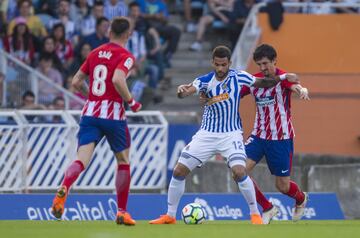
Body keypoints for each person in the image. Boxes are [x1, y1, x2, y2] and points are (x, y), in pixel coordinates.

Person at [149, 45, 299, 225]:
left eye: (224, 65)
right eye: (217, 65)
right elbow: (187, 91)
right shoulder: (204, 81)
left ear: (230, 63)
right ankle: (170, 215)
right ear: (212, 62)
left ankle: (255, 215)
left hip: (231, 135)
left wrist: (284, 77)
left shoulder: (239, 76)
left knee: (239, 171)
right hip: (206, 134)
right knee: (179, 171)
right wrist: (181, 90)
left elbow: (264, 82)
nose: (220, 69)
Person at [51, 17, 142, 226]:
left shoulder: (94, 52)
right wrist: (132, 102)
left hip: (90, 113)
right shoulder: (126, 56)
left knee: (81, 159)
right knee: (123, 161)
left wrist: (91, 96)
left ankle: (65, 186)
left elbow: (76, 81)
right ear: (128, 35)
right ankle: (121, 212)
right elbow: (118, 79)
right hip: (113, 116)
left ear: (109, 32)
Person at [240, 44, 310, 224]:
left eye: (265, 63)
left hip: (281, 138)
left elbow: (295, 86)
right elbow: (236, 94)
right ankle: (268, 207)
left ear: (274, 61)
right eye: (259, 64)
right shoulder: (253, 80)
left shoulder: (283, 78)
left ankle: (300, 198)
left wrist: (302, 91)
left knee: (282, 186)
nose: (263, 68)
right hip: (258, 136)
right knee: (239, 171)